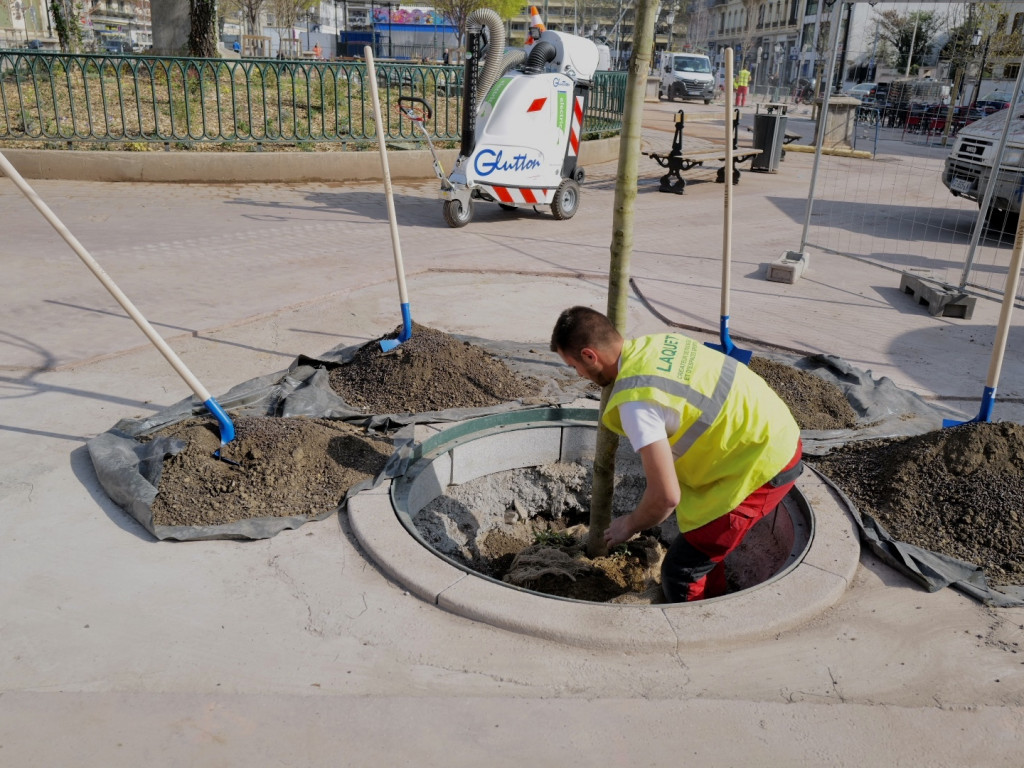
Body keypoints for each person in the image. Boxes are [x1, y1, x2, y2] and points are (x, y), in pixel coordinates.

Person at [550, 306, 803, 602]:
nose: (579, 374)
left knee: (681, 570)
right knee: (702, 548)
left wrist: (629, 524)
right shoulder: (661, 344)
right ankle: (716, 596)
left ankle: (697, 637)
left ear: (590, 356)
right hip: (772, 432)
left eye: (574, 367)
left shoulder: (637, 402)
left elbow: (666, 497)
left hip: (763, 465)